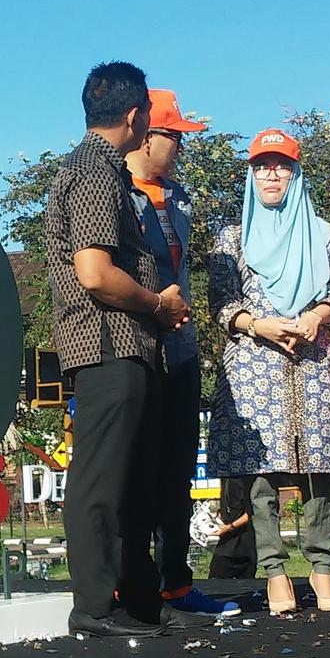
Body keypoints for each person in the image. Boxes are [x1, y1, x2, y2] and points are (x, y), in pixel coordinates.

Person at [43, 61, 195, 638]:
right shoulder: (93, 173)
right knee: (102, 479)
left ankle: (138, 600)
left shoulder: (104, 170)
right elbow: (95, 274)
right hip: (106, 343)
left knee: (133, 480)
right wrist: (159, 304)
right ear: (135, 117)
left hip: (128, 346)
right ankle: (92, 606)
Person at [208, 128, 330, 613]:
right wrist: (258, 324)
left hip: (312, 361)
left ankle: (322, 567)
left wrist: (316, 317)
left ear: (296, 174)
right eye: (262, 166)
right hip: (255, 365)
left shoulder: (322, 233)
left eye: (282, 166)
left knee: (320, 468)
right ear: (251, 175)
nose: (272, 175)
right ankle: (274, 570)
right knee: (261, 473)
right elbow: (220, 303)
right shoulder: (232, 238)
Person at [129, 88, 239, 617]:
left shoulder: (181, 198)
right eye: (175, 136)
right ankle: (132, 586)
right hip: (133, 346)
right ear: (146, 134)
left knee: (176, 470)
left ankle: (177, 582)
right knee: (136, 469)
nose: (181, 147)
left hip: (182, 346)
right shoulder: (114, 191)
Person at [203, 477, 256, 579]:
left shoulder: (244, 481)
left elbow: (252, 512)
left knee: (218, 579)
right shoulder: (225, 479)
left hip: (243, 544)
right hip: (228, 541)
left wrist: (230, 526)